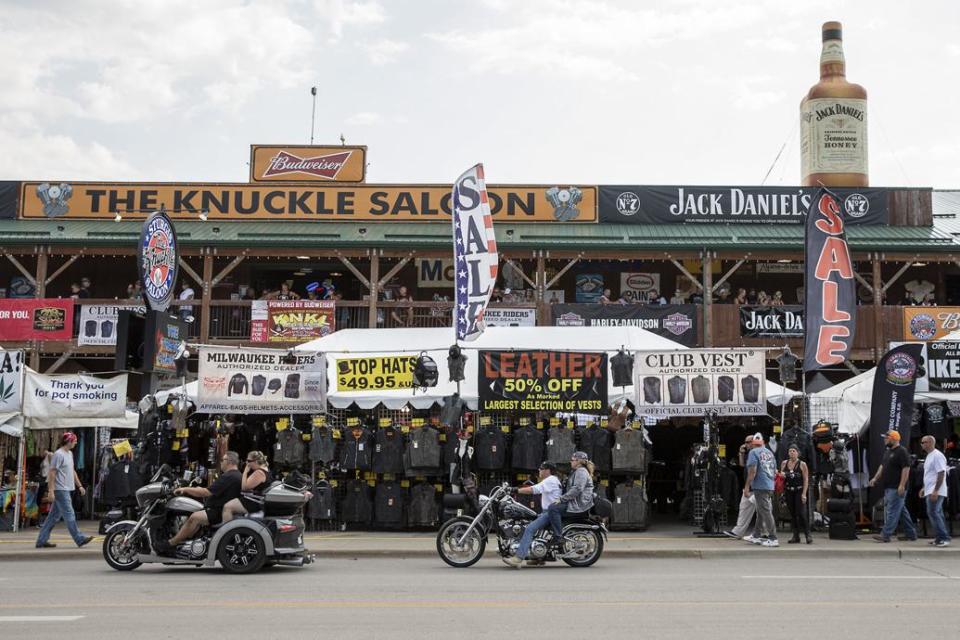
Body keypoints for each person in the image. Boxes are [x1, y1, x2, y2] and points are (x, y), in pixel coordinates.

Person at [162, 452, 242, 552]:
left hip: (217, 512)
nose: (220, 462)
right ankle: (186, 542)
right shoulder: (236, 475)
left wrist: (185, 489)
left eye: (222, 460)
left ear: (229, 461)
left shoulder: (229, 476)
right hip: (220, 509)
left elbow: (205, 492)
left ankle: (171, 544)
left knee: (194, 518)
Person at [35, 433, 94, 549]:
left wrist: (80, 486)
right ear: (69, 441)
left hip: (66, 489)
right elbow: (52, 473)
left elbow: (72, 471)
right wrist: (51, 491)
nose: (76, 442)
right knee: (70, 514)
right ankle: (79, 538)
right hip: (61, 490)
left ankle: (41, 540)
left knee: (52, 517)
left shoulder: (69, 454)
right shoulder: (58, 454)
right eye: (74, 441)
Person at [506, 462, 563, 568]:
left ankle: (518, 558)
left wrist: (515, 490)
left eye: (541, 468)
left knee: (529, 529)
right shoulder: (553, 480)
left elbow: (534, 489)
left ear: (548, 470)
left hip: (550, 513)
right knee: (531, 526)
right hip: (547, 511)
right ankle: (537, 557)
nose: (539, 470)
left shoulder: (550, 480)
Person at [869, 430, 917, 543]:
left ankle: (885, 535)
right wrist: (875, 478)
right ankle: (911, 534)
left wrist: (902, 485)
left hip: (896, 487)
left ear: (894, 439)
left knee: (892, 511)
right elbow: (882, 466)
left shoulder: (902, 451)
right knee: (900, 511)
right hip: (889, 486)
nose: (885, 440)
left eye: (887, 438)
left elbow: (906, 469)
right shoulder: (888, 451)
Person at [546, 452, 595, 546]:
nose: (570, 462)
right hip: (575, 502)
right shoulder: (577, 471)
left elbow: (577, 489)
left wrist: (561, 499)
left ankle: (558, 537)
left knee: (553, 508)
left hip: (578, 505)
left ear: (579, 461)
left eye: (572, 460)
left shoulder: (581, 472)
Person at [743, 433, 778, 547]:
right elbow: (775, 470)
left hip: (760, 485)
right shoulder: (769, 453)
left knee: (766, 512)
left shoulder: (753, 453)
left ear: (753, 444)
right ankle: (756, 535)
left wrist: (747, 486)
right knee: (761, 511)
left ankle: (773, 537)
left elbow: (752, 471)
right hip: (769, 484)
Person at [722, 435, 759, 540]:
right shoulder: (749, 453)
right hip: (751, 486)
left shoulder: (756, 453)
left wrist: (747, 486)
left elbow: (753, 472)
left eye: (748, 442)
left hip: (756, 486)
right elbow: (742, 465)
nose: (746, 444)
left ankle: (764, 532)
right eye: (745, 442)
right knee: (744, 508)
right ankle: (738, 531)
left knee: (763, 511)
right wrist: (741, 453)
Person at [221, 451, 273, 523]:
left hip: (255, 502)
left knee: (227, 507)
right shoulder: (266, 470)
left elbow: (244, 488)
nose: (247, 463)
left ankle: (226, 531)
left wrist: (245, 471)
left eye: (249, 461)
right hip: (258, 499)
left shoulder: (259, 473)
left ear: (256, 461)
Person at [920, 435, 950, 547]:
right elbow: (929, 475)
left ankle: (944, 538)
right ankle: (939, 537)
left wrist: (936, 490)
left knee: (934, 513)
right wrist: (924, 488)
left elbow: (941, 473)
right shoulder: (929, 456)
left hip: (936, 490)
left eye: (924, 442)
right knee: (937, 513)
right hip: (930, 489)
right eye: (922, 442)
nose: (922, 444)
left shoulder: (937, 455)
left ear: (931, 443)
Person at [781, 445, 811, 544]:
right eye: (790, 451)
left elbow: (806, 479)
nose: (792, 453)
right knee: (793, 514)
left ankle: (808, 534)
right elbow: (781, 478)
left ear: (798, 452)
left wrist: (804, 494)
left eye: (794, 451)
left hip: (799, 490)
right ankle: (796, 536)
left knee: (801, 513)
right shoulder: (784, 463)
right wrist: (782, 476)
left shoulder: (802, 464)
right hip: (789, 490)